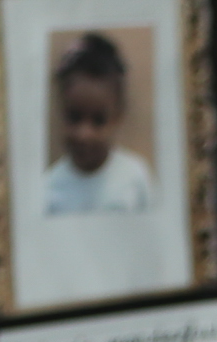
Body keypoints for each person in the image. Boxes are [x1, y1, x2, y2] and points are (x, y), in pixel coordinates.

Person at [43, 35, 154, 216]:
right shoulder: (48, 189)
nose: (84, 134)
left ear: (118, 117)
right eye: (74, 117)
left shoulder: (136, 178)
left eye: (99, 120)